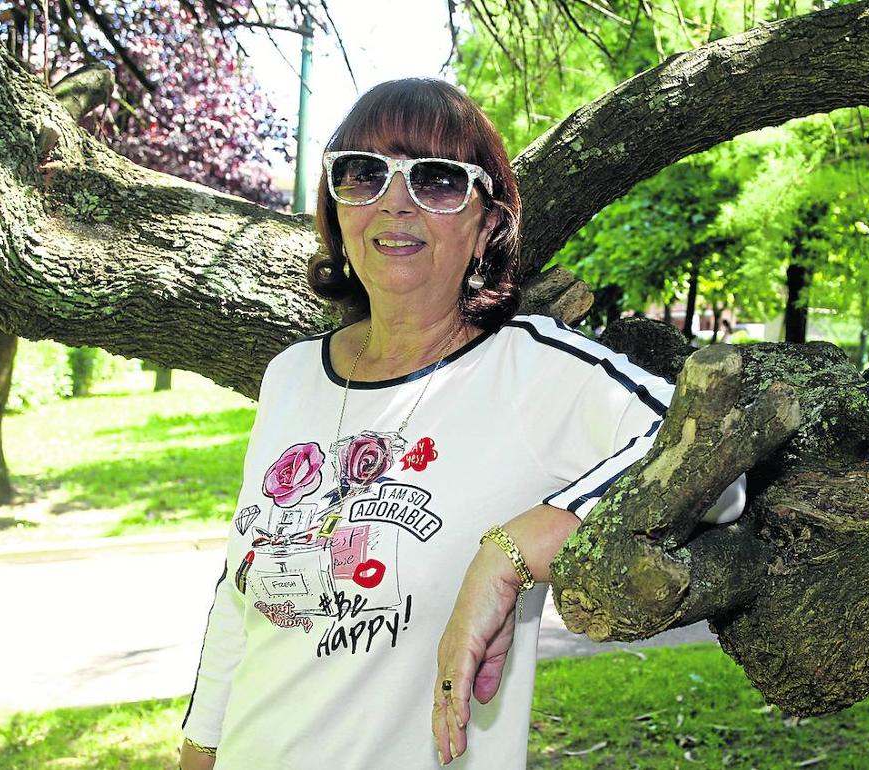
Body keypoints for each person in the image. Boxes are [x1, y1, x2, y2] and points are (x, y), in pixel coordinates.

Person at [179, 77, 746, 770]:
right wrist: (199, 752)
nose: (395, 201)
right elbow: (242, 596)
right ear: (334, 206)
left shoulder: (532, 371)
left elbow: (715, 452)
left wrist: (511, 551)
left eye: (439, 181)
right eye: (363, 173)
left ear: (487, 224)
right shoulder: (291, 375)